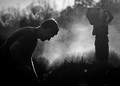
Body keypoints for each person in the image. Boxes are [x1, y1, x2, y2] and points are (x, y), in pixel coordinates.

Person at [0, 18, 59, 85]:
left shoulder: (33, 37)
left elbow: (29, 59)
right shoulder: (30, 34)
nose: (48, 39)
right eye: (50, 36)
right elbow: (13, 49)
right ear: (47, 29)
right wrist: (23, 65)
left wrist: (35, 78)